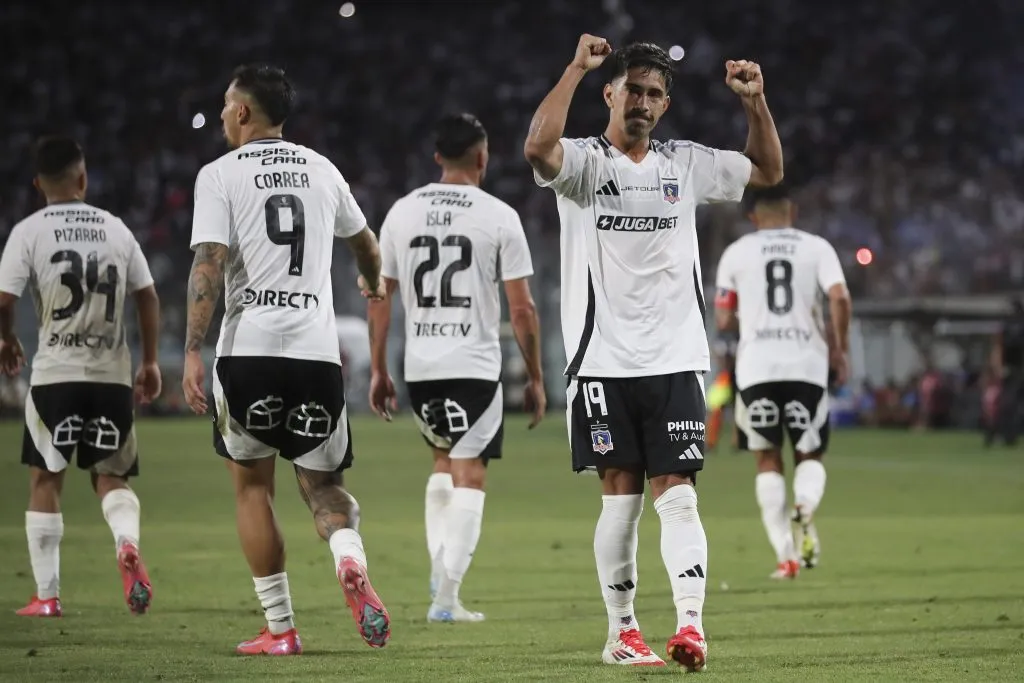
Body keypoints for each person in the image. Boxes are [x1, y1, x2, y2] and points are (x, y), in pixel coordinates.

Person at [524, 35, 783, 671]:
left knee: (680, 494)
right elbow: (537, 146)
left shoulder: (685, 164)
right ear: (610, 94)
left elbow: (769, 171)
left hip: (674, 358)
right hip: (603, 362)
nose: (642, 101)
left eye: (654, 93)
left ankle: (691, 627)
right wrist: (575, 68)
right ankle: (622, 632)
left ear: (664, 105)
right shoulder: (583, 164)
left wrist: (756, 103)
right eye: (632, 89)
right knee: (622, 498)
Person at [181, 64, 390, 655]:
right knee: (324, 486)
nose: (223, 115)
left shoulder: (218, 175)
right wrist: (372, 283)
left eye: (226, 106)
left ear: (242, 111)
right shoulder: (322, 169)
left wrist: (193, 349)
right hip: (316, 354)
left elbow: (209, 263)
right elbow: (366, 245)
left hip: (247, 350)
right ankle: (348, 559)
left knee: (253, 490)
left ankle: (281, 630)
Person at [366, 113, 546, 624]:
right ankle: (446, 597)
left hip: (420, 364)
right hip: (473, 364)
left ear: (437, 157)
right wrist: (534, 375)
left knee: (442, 464)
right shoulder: (498, 216)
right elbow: (522, 310)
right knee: (471, 476)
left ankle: (439, 573)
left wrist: (380, 368)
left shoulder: (402, 212)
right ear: (483, 157)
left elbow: (379, 296)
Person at [0, 135, 162, 617]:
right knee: (111, 478)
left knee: (46, 479)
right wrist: (150, 361)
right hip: (111, 376)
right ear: (83, 178)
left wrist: (7, 340)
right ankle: (126, 544)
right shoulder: (116, 229)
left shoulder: (29, 231)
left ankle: (47, 597)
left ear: (38, 184)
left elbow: (4, 298)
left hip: (56, 373)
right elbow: (147, 295)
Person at [714, 183, 851, 578]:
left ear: (754, 217)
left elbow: (723, 318)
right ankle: (805, 504)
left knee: (767, 459)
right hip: (806, 365)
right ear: (792, 212)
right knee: (810, 454)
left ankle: (786, 556)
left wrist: (750, 316)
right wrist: (839, 349)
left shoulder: (737, 253)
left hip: (756, 368)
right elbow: (840, 297)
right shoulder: (816, 247)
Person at [986, 297, 1024, 446]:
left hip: (1015, 370)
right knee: (1007, 404)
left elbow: (998, 347)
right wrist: (998, 368)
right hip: (1012, 370)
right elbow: (998, 347)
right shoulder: (1006, 327)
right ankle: (1001, 435)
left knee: (1008, 405)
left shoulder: (1010, 327)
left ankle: (1000, 435)